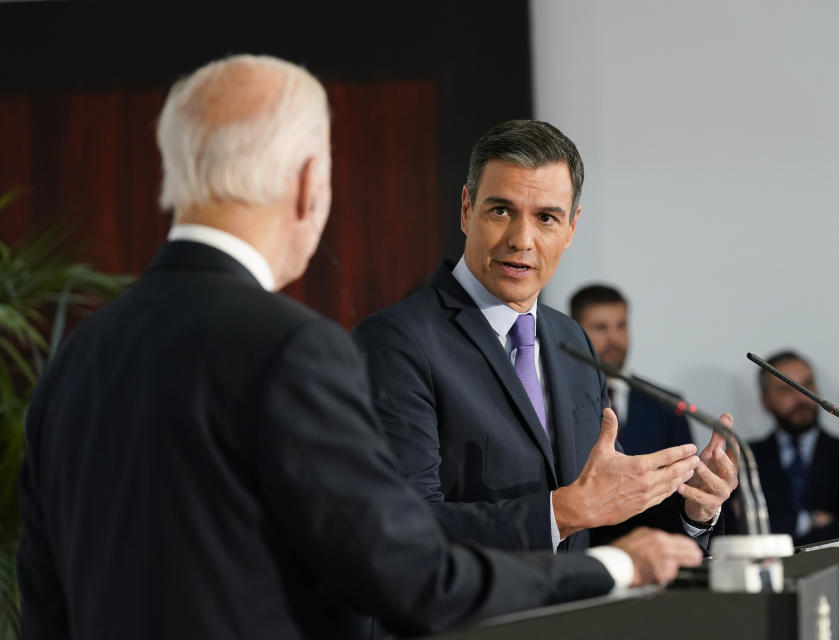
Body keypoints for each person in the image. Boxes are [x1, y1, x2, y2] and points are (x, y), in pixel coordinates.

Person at [16, 55, 706, 640]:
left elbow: (43, 604)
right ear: (311, 184)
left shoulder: (74, 359)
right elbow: (406, 570)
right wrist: (613, 568)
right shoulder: (295, 349)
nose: (522, 236)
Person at [353, 120, 737, 557]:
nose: (521, 240)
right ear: (465, 209)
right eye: (500, 211)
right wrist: (562, 512)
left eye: (546, 218)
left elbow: (603, 520)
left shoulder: (570, 339)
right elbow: (404, 529)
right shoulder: (396, 340)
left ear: (571, 228)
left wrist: (692, 511)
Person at [569, 284, 697, 542]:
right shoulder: (557, 402)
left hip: (657, 551)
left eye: (621, 326)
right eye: (600, 328)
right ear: (574, 331)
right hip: (584, 555)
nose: (614, 339)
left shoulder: (667, 404)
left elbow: (684, 489)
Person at [747, 350, 839, 544]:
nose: (801, 397)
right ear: (765, 401)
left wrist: (778, 524)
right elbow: (739, 529)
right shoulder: (746, 457)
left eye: (807, 385)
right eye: (786, 389)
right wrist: (809, 521)